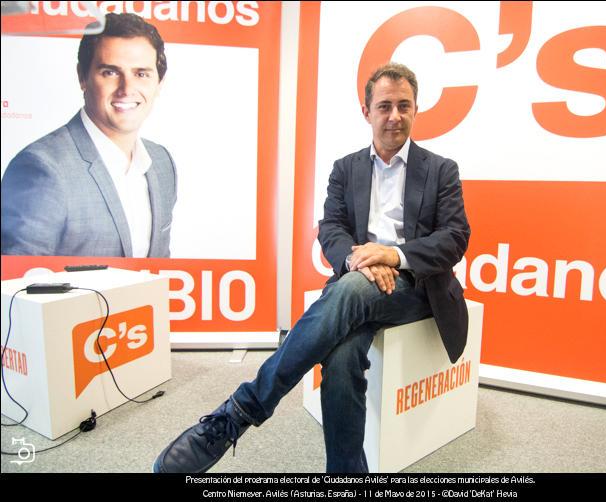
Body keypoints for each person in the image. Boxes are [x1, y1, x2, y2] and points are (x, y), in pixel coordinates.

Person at [153, 62, 470, 473]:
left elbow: (454, 237)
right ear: (367, 111)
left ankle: (239, 412)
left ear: (416, 109)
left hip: (417, 289)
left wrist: (392, 256)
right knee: (340, 357)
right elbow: (332, 227)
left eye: (403, 106)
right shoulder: (346, 168)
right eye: (385, 105)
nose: (394, 116)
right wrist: (358, 259)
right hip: (359, 278)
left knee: (352, 289)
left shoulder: (441, 169)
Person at [1, 13, 176, 258]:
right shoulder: (42, 168)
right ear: (83, 77)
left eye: (141, 74)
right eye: (110, 72)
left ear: (159, 83)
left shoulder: (162, 163)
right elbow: (15, 287)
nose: (127, 89)